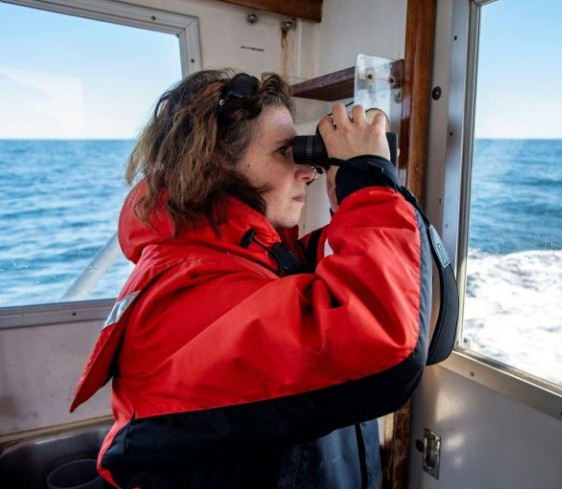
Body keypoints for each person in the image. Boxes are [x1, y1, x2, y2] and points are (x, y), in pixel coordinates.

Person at [70, 68, 432, 489]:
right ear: (216, 163)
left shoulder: (253, 259)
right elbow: (386, 349)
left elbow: (394, 288)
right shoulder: (184, 291)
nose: (308, 172)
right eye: (285, 152)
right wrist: (368, 183)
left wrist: (356, 197)